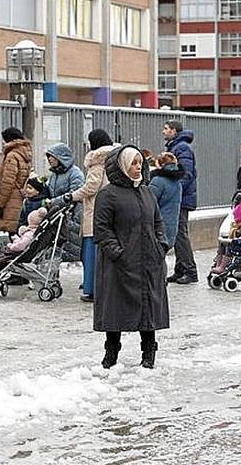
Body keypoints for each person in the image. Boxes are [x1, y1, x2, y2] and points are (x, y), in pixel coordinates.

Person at [93, 146, 170, 369]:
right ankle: (111, 351)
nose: (138, 168)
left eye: (140, 163)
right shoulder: (108, 195)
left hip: (148, 261)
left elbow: (158, 222)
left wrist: (161, 245)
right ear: (122, 166)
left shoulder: (146, 192)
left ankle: (149, 351)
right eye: (133, 164)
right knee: (115, 308)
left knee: (148, 307)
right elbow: (102, 229)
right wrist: (118, 253)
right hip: (120, 264)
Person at [63, 129, 115, 302]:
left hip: (94, 211)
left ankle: (92, 289)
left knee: (91, 254)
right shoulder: (115, 159)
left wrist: (73, 195)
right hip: (110, 211)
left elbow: (91, 187)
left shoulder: (98, 161)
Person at [162, 120, 199, 285]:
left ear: (174, 131)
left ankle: (190, 271)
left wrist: (174, 190)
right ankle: (180, 269)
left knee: (180, 235)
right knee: (177, 234)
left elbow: (186, 173)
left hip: (182, 198)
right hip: (181, 197)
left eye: (166, 129)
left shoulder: (182, 148)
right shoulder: (175, 146)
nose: (163, 131)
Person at [43, 142, 85, 263]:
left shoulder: (75, 173)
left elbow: (75, 193)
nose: (49, 159)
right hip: (58, 216)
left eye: (52, 156)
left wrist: (54, 202)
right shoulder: (53, 175)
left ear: (61, 157)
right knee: (56, 250)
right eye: (48, 156)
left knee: (72, 249)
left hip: (72, 216)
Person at [0, 127, 32, 236]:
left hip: (11, 200)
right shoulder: (25, 153)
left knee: (13, 235)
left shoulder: (12, 155)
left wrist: (0, 205)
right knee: (19, 232)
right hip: (20, 198)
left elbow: (7, 183)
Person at [148, 152, 184, 247]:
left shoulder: (158, 181)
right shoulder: (177, 182)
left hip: (158, 226)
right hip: (172, 225)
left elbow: (148, 202)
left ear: (160, 164)